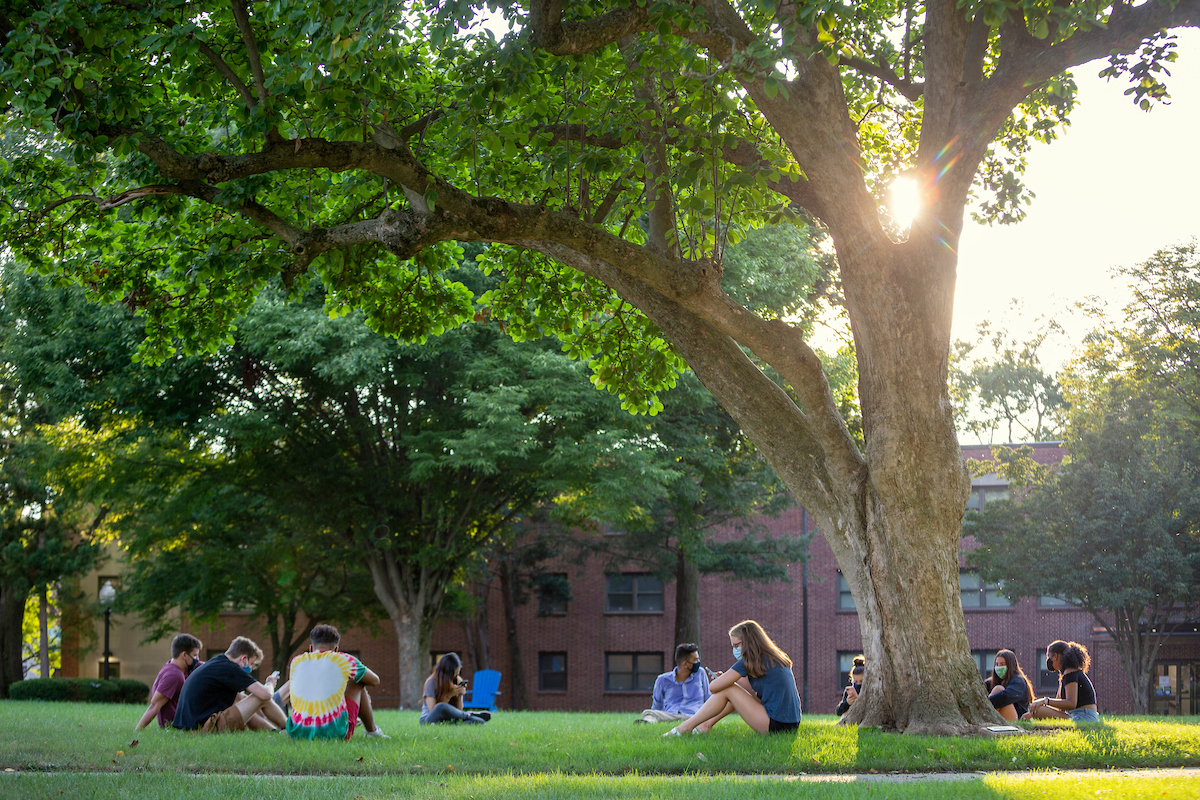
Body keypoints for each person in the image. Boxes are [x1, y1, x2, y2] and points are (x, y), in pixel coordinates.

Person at [664, 620, 802, 736]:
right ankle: (705, 725)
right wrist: (728, 678)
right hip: (790, 725)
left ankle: (685, 728)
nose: (735, 650)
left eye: (737, 645)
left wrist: (723, 681)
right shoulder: (772, 657)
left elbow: (713, 688)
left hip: (776, 726)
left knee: (727, 689)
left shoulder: (749, 661)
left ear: (749, 642)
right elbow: (750, 691)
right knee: (731, 688)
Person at [276, 624, 389, 740]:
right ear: (336, 650)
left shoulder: (296, 662)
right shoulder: (344, 660)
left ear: (311, 648)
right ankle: (372, 732)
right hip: (335, 735)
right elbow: (375, 681)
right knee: (358, 681)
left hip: (297, 734)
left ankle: (370, 730)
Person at [172, 636, 286, 733]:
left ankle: (277, 734)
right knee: (261, 697)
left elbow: (240, 699)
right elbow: (266, 695)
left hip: (190, 728)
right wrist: (269, 683)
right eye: (251, 664)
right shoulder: (231, 668)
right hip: (205, 728)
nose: (250, 668)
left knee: (243, 698)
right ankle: (291, 729)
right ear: (243, 658)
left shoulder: (217, 663)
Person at [135, 633, 203, 731]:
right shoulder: (174, 676)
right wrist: (137, 731)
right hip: (178, 728)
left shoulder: (178, 666)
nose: (197, 659)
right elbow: (154, 705)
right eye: (195, 655)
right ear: (184, 655)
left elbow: (204, 666)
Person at [1022, 640, 1099, 723]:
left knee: (1039, 710)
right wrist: (1032, 713)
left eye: (1048, 656)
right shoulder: (1065, 674)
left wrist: (1045, 701)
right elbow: (1058, 706)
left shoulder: (1070, 673)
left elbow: (1071, 703)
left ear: (1055, 656)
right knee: (1037, 709)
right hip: (1078, 715)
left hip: (1084, 716)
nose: (1048, 660)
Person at [639, 643, 711, 723]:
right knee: (648, 713)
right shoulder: (662, 680)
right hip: (670, 716)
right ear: (685, 664)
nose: (698, 662)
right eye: (695, 660)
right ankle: (647, 723)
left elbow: (707, 697)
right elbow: (657, 705)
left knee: (700, 718)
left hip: (694, 715)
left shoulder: (700, 673)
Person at [420, 653, 489, 725]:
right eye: (454, 673)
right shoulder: (431, 682)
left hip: (447, 719)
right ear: (446, 672)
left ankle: (464, 718)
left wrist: (459, 695)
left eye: (457, 673)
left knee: (479, 721)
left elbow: (459, 710)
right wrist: (449, 695)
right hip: (429, 720)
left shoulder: (457, 680)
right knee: (440, 706)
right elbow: (433, 711)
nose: (455, 676)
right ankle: (468, 715)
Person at [986, 648, 1033, 721]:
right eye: (997, 664)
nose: (999, 667)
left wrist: (983, 704)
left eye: (1002, 664)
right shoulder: (993, 681)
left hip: (1016, 718)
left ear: (1010, 665)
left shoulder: (1018, 681)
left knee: (999, 689)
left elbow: (1006, 697)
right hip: (1003, 717)